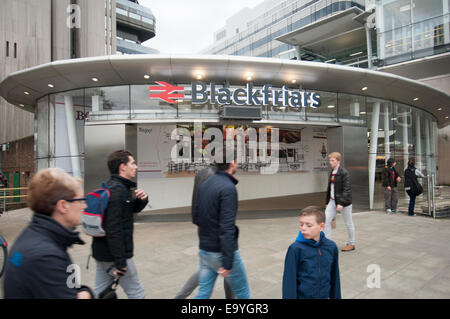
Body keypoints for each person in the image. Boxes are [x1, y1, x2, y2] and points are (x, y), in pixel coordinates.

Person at [3, 168, 93, 299]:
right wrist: (87, 294)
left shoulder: (34, 236)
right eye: (80, 200)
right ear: (63, 206)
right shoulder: (45, 256)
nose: (84, 206)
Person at [92, 150, 149, 299]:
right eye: (133, 163)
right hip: (116, 255)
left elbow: (126, 214)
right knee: (137, 293)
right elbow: (114, 228)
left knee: (100, 293)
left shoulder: (113, 187)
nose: (136, 167)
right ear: (123, 167)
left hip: (101, 252)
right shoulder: (118, 191)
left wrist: (141, 201)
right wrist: (120, 261)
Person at [174, 163, 235, 299]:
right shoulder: (219, 178)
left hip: (205, 228)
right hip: (217, 231)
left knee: (208, 267)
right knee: (229, 268)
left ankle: (179, 297)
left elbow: (196, 201)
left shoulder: (202, 173)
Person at [193, 156, 250, 299]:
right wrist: (228, 261)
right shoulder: (228, 188)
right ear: (232, 163)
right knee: (243, 292)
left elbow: (198, 215)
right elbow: (227, 227)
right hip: (220, 251)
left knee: (203, 293)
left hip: (205, 250)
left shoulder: (206, 183)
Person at [282, 206, 341, 299]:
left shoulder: (331, 247)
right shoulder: (295, 249)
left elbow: (335, 278)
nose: (303, 228)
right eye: (301, 224)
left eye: (308, 225)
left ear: (321, 226)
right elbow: (289, 282)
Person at [324, 152, 355, 252]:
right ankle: (327, 244)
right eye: (330, 160)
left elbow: (347, 190)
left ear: (338, 161)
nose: (330, 162)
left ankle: (351, 243)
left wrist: (341, 203)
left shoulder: (344, 173)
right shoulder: (332, 172)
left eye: (332, 160)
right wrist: (326, 201)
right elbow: (330, 188)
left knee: (348, 223)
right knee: (325, 221)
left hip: (344, 203)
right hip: (332, 201)